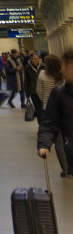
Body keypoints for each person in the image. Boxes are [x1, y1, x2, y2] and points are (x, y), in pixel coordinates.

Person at [38, 50, 73, 178]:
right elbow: (50, 123)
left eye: (66, 66)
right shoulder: (59, 94)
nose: (61, 70)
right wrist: (44, 144)